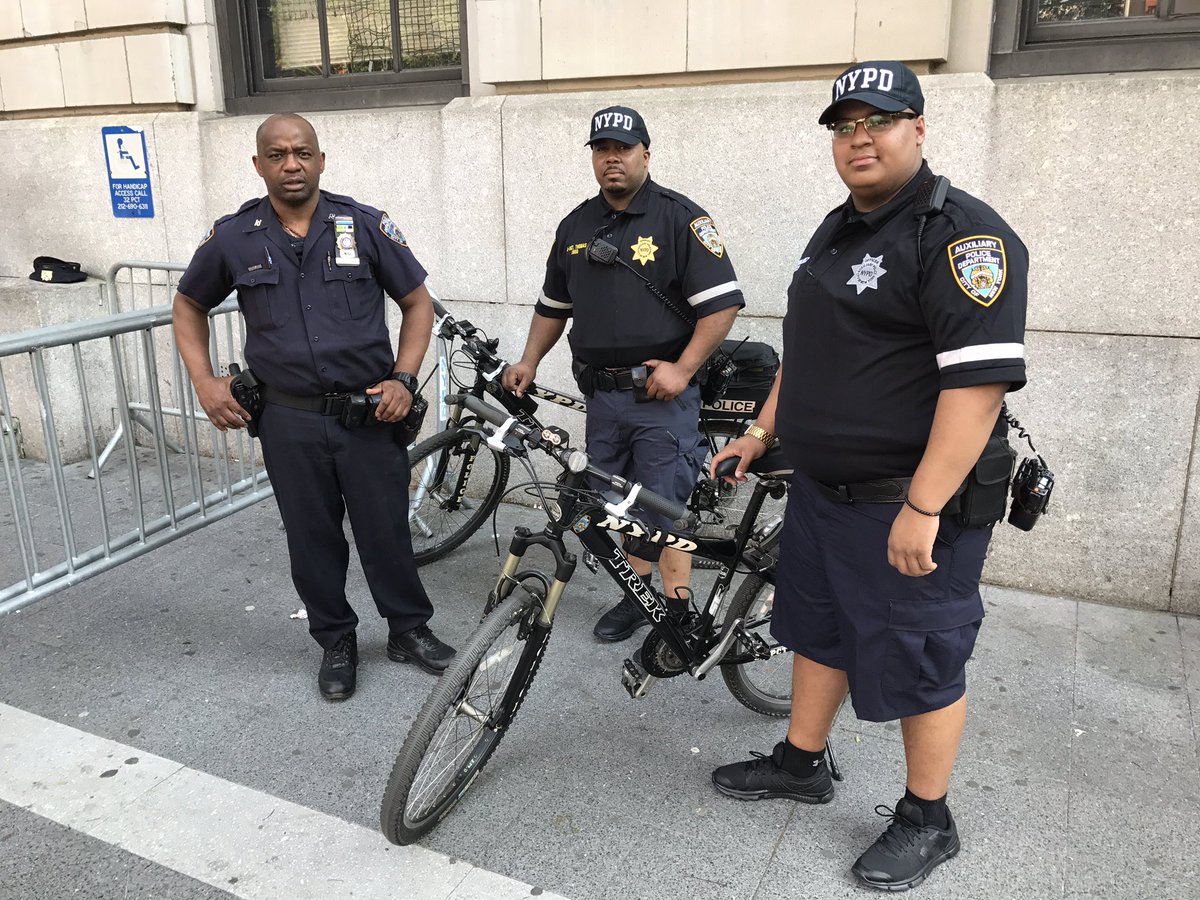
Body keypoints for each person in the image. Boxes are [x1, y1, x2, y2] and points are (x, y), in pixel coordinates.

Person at [708, 62, 1028, 891]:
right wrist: (760, 430)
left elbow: (977, 387)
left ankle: (930, 817)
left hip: (909, 508)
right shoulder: (838, 229)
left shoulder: (963, 237)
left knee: (923, 657)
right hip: (821, 495)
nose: (859, 138)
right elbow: (810, 357)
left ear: (918, 130)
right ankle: (802, 761)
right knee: (818, 632)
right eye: (844, 126)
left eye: (878, 121)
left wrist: (924, 506)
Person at [172, 113, 456, 701]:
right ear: (259, 165)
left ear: (321, 159)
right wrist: (203, 381)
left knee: (385, 531)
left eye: (302, 152)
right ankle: (335, 639)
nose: (291, 163)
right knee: (311, 536)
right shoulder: (234, 237)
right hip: (288, 418)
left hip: (369, 413)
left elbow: (417, 303)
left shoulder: (366, 224)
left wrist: (404, 377)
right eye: (276, 154)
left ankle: (408, 629)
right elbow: (188, 305)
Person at [502, 106, 744, 641]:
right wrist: (528, 360)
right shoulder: (576, 225)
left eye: (624, 148)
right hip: (604, 399)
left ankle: (678, 613)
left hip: (661, 397)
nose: (612, 158)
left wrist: (684, 368)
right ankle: (640, 600)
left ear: (646, 154)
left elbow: (723, 304)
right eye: (601, 149)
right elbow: (552, 306)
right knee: (614, 506)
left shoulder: (681, 219)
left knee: (664, 503)